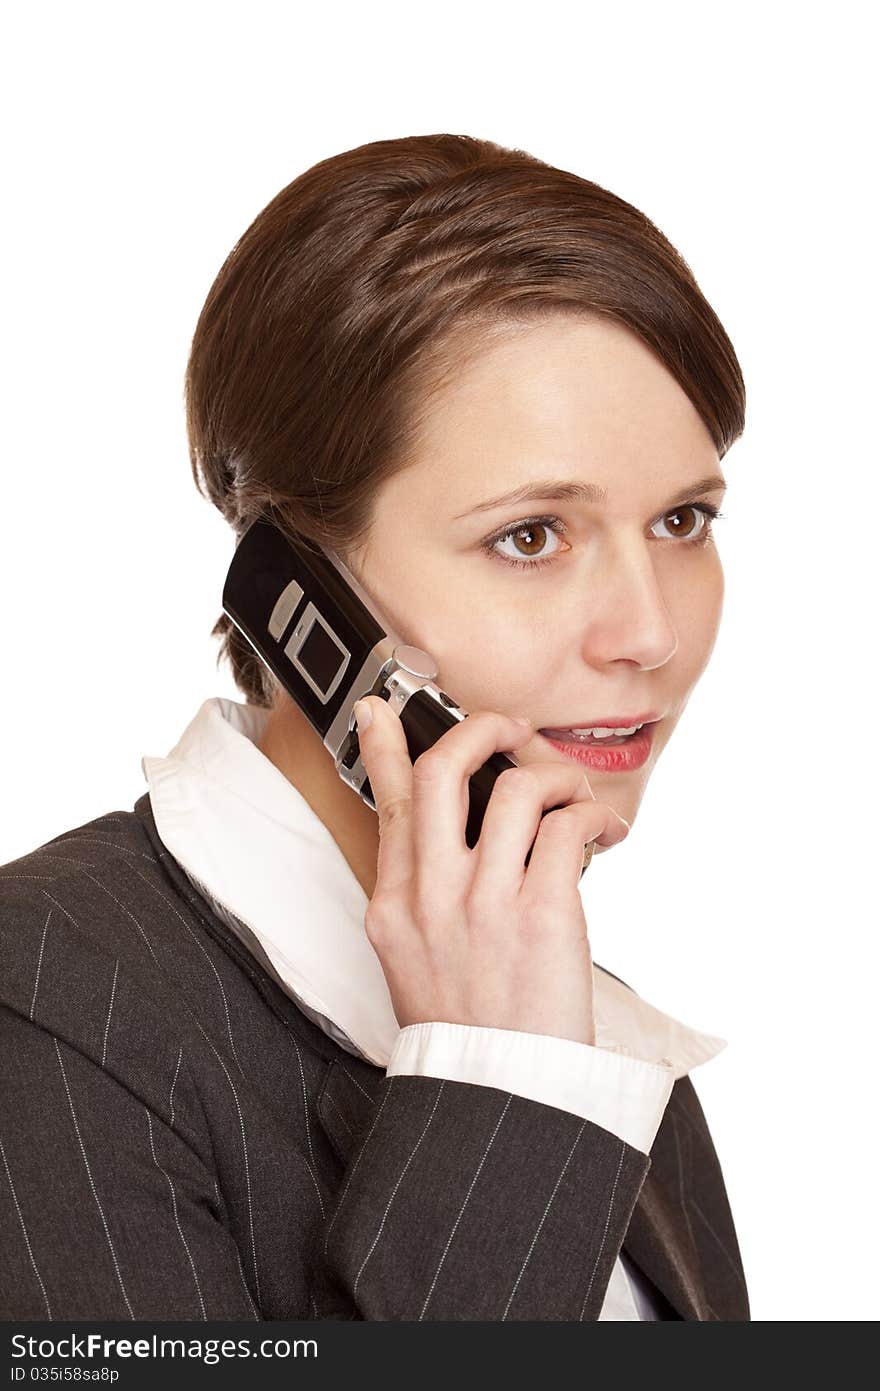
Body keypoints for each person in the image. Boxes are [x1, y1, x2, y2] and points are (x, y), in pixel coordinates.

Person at [0, 133, 749, 1321]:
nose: (648, 632)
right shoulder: (46, 1007)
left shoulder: (575, 1008)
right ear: (297, 585)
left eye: (681, 519)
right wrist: (508, 1093)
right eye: (530, 535)